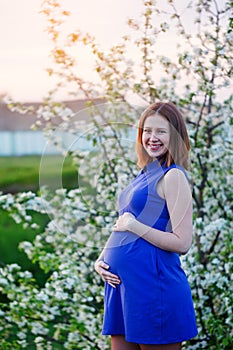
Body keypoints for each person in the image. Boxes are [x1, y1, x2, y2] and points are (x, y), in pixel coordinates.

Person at [95, 102, 198, 350]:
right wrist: (101, 259)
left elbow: (182, 242)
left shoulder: (173, 176)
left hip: (154, 290)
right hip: (122, 288)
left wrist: (135, 225)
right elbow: (124, 223)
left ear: (175, 135)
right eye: (147, 131)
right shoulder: (145, 173)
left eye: (161, 131)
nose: (152, 138)